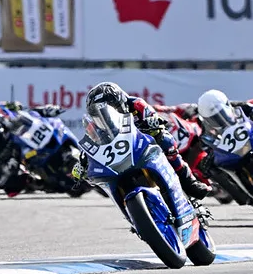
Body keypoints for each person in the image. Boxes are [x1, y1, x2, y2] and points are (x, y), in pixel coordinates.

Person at [83, 82, 212, 199]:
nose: (105, 117)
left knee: (166, 140)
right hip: (119, 153)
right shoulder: (94, 125)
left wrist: (152, 122)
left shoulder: (136, 104)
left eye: (109, 110)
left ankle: (189, 183)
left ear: (121, 102)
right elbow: (91, 143)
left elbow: (152, 115)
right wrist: (83, 161)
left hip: (142, 142)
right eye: (99, 114)